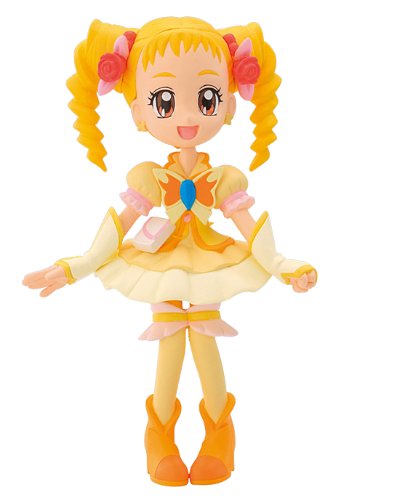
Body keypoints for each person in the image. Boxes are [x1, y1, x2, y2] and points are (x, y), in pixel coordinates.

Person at [23, 17, 317, 486]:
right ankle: (159, 434)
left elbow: (248, 226)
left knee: (202, 337)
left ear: (228, 106)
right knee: (171, 339)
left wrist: (285, 267)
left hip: (209, 259)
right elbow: (122, 224)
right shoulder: (150, 178)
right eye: (164, 100)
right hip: (160, 258)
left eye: (207, 98)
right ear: (139, 112)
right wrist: (76, 266)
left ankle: (220, 431)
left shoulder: (223, 179)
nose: (187, 116)